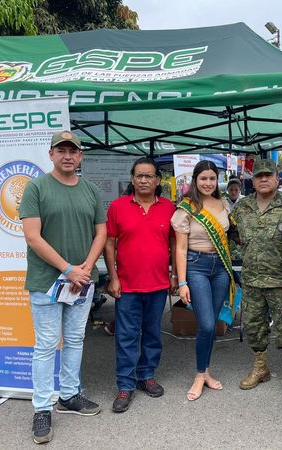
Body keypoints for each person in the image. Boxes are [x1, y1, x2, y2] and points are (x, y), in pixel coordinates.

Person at [20, 130, 107, 444]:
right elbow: (33, 236)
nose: (68, 156)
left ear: (80, 156)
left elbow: (101, 232)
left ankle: (69, 395)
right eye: (61, 150)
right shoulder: (36, 188)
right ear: (51, 154)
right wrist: (68, 269)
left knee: (75, 339)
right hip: (47, 281)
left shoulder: (91, 190)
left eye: (73, 151)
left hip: (81, 281)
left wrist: (85, 268)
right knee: (46, 345)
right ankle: (42, 408)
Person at [105, 157, 177, 413]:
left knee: (152, 334)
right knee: (126, 336)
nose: (144, 180)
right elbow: (109, 243)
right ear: (132, 179)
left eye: (149, 176)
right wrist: (113, 277)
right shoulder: (118, 206)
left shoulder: (168, 207)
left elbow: (174, 244)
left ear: (158, 180)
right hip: (127, 285)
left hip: (158, 284)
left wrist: (174, 275)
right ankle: (125, 385)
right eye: (139, 176)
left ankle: (146, 375)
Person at [232, 159, 282, 398]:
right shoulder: (242, 207)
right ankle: (260, 367)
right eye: (258, 176)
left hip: (281, 281)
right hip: (251, 280)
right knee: (253, 327)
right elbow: (233, 234)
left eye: (268, 175)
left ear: (277, 178)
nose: (263, 179)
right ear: (252, 180)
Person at [171, 160, 235, 401]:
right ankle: (199, 375)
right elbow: (180, 249)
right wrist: (182, 282)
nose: (208, 183)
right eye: (203, 179)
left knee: (213, 324)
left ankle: (206, 371)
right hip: (196, 266)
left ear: (217, 180)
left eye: (212, 178)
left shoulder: (224, 204)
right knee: (206, 324)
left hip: (220, 268)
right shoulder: (187, 207)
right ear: (195, 180)